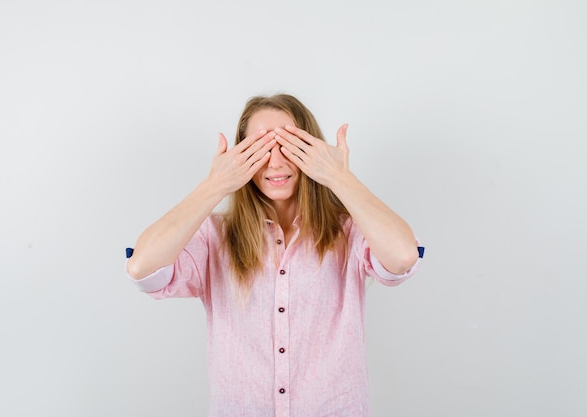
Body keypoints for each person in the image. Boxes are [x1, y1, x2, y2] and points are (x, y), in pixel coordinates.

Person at [125, 94, 423, 417]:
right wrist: (214, 185)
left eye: (290, 145)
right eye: (260, 148)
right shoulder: (214, 237)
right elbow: (142, 268)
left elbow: (404, 257)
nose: (276, 162)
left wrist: (339, 177)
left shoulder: (349, 231)